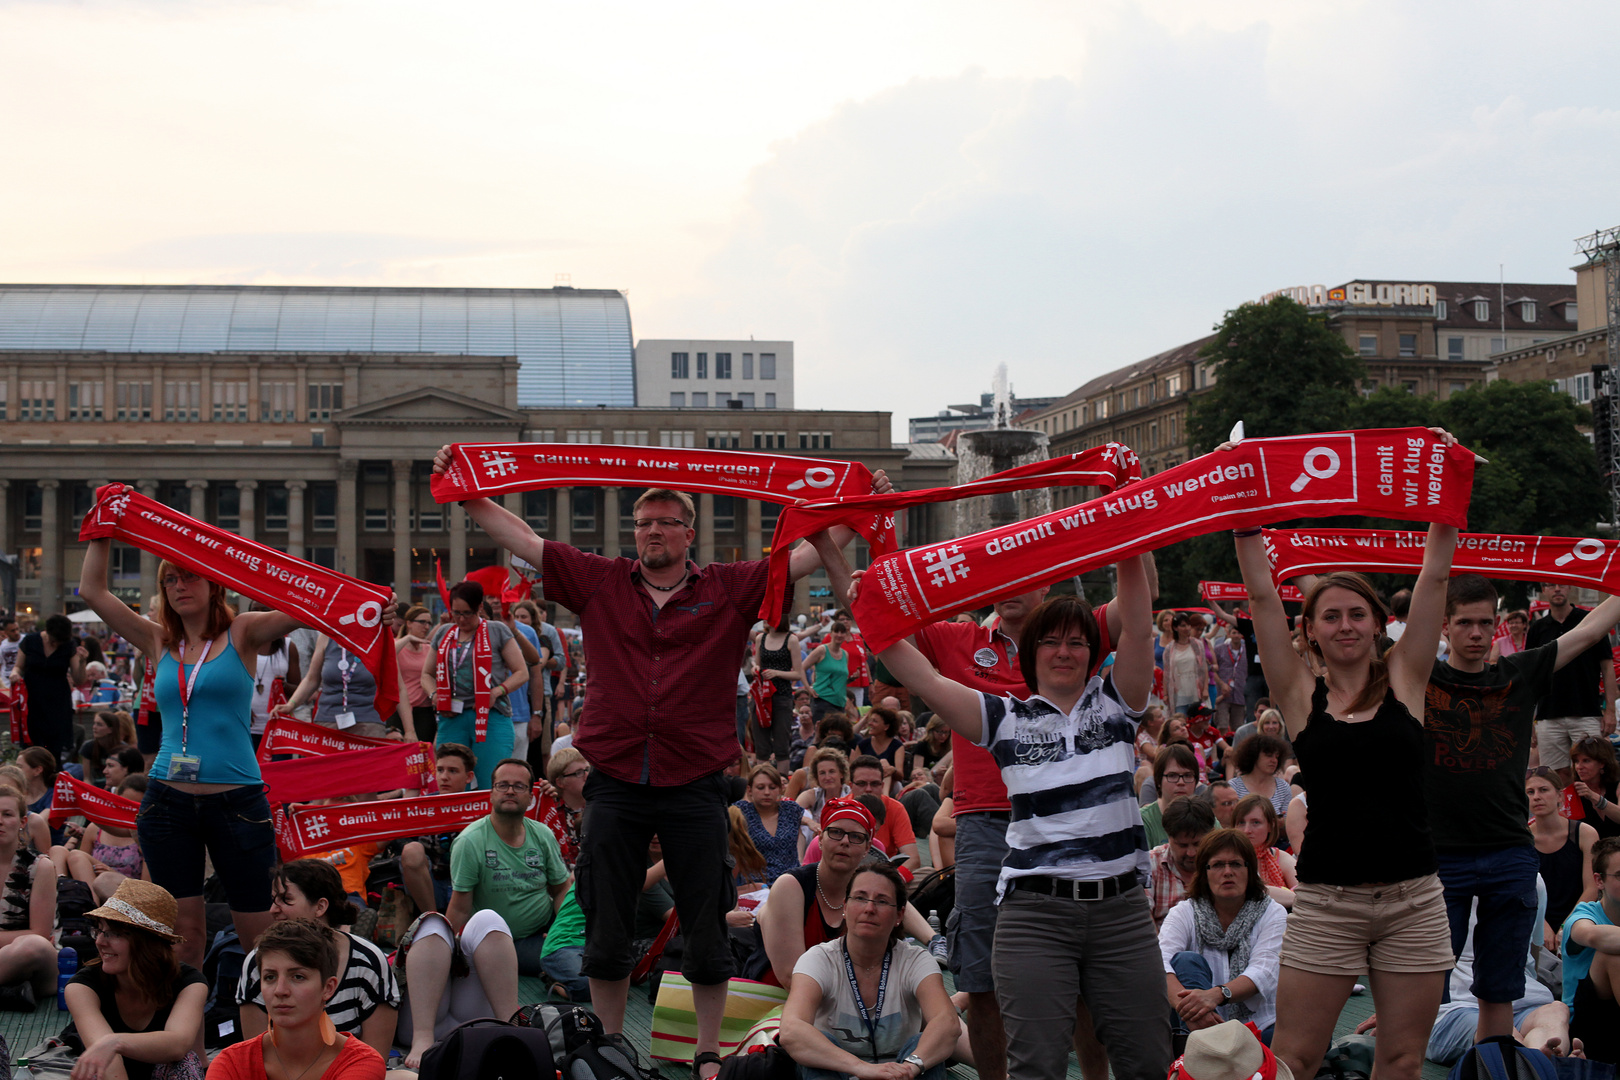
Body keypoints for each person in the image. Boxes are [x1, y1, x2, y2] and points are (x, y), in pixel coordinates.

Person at [865, 553, 1171, 1080]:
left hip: (1121, 912)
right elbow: (919, 674)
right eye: (1051, 642)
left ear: (1094, 652)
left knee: (1147, 1059)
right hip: (1035, 916)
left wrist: (1125, 533)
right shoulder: (1004, 718)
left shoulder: (1119, 704)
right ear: (1030, 654)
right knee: (1037, 1065)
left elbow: (1139, 624)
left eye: (1077, 641)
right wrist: (869, 605)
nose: (1065, 651)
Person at [1230, 443, 1460, 1080]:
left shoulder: (1407, 679)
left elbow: (1435, 578)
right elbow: (1259, 595)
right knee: (1297, 1058)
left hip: (1414, 899)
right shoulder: (1302, 697)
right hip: (1327, 902)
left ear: (1379, 623)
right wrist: (1245, 513)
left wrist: (1445, 488)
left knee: (1403, 1060)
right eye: (1330, 616)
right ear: (1312, 630)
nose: (1346, 625)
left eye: (1358, 613)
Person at [79, 546, 314, 967]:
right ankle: (188, 1030)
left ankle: (263, 1026)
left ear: (213, 583)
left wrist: (371, 607)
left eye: (189, 576)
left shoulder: (241, 632)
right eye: (169, 579)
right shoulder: (158, 638)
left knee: (260, 938)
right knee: (183, 936)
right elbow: (92, 591)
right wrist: (103, 535)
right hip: (168, 803)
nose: (178, 587)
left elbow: (308, 605)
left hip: (237, 803)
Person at [1417, 574, 1620, 1046]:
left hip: (1507, 851)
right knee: (1424, 975)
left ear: (1496, 628)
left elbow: (1589, 632)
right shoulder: (1420, 675)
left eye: (1485, 623)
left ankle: (1494, 1064)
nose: (1476, 633)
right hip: (1439, 854)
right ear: (1444, 626)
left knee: (1500, 983)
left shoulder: (1517, 673)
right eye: (1464, 623)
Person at [777, 862, 959, 1080]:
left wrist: (911, 1066)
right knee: (817, 1048)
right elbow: (791, 1029)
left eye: (882, 901)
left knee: (921, 1045)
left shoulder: (915, 961)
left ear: (899, 915)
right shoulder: (819, 959)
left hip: (900, 1074)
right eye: (860, 898)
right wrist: (860, 1067)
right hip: (840, 1072)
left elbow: (946, 1022)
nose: (869, 908)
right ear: (845, 907)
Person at [237, 860, 399, 1056]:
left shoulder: (367, 960)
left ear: (320, 906)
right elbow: (257, 1057)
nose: (273, 910)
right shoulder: (258, 960)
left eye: (286, 900)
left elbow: (375, 1058)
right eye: (273, 900)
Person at [207, 918, 386, 1080]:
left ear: (328, 987)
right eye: (270, 977)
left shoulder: (361, 1063)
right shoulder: (231, 1063)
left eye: (298, 977)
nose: (280, 990)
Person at [64, 878, 208, 1080]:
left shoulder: (190, 982)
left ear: (147, 943)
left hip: (163, 1070)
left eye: (114, 934)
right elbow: (107, 1060)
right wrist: (109, 1046)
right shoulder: (83, 986)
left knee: (185, 1065)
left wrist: (114, 1042)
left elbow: (178, 1044)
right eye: (99, 930)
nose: (99, 941)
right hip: (109, 1074)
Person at [1423, 881, 1575, 1065]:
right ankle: (1537, 1064)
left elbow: (1532, 955)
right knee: (1500, 1028)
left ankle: (1539, 1061)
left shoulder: (1531, 879)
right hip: (1455, 1007)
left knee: (1556, 1011)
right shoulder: (1438, 875)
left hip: (1521, 1001)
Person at [1158, 829, 1287, 1043]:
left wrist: (1217, 995)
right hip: (1196, 1023)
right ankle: (1206, 1044)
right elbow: (1160, 963)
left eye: (1236, 864)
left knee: (1309, 1038)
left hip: (1259, 1024)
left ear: (1249, 870)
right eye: (1218, 865)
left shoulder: (1273, 912)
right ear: (1204, 872)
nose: (1227, 872)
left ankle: (1211, 1050)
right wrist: (1192, 1010)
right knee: (1185, 961)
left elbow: (1264, 970)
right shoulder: (1184, 912)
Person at [447, 758, 570, 974]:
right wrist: (445, 952)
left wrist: (560, 930)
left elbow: (561, 888)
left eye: (519, 786)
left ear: (531, 796)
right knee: (571, 965)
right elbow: (459, 908)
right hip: (496, 941)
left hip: (545, 929)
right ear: (491, 793)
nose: (510, 791)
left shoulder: (542, 834)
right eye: (502, 785)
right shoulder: (470, 842)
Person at [752, 798, 874, 989]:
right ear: (820, 840)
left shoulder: (868, 890)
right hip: (775, 1001)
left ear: (867, 847)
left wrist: (931, 938)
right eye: (835, 833)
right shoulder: (790, 885)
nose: (844, 842)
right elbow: (791, 976)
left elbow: (899, 906)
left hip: (838, 998)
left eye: (856, 837)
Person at [420, 581, 527, 790]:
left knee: (492, 781)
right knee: (450, 782)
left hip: (490, 715)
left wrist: (497, 691)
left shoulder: (497, 630)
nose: (460, 619)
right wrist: (434, 694)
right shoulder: (444, 633)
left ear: (479, 608)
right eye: (456, 613)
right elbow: (426, 674)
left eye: (467, 613)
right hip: (451, 716)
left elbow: (522, 672)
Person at [1528, 581, 1618, 786]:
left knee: (1593, 773)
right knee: (1555, 776)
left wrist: (1610, 711)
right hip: (1548, 715)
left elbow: (1607, 668)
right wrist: (1529, 719)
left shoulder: (1590, 623)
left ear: (1570, 588)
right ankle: (1563, 817)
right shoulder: (1537, 629)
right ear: (1544, 590)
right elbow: (1531, 675)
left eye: (1562, 584)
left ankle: (1594, 815)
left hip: (1586, 711)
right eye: (1551, 585)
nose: (1557, 589)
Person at [278, 632, 414, 742]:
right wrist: (291, 705)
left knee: (364, 773)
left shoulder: (380, 639)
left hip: (368, 723)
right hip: (328, 720)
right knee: (330, 773)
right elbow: (311, 679)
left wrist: (410, 731)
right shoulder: (327, 636)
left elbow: (399, 689)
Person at [395, 742, 477, 915]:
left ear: (469, 777)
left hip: (471, 888)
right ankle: (434, 922)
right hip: (431, 886)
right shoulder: (421, 807)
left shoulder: (481, 806)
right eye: (440, 770)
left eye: (452, 771)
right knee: (411, 850)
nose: (444, 777)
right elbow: (399, 841)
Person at [0, 783, 59, 1010]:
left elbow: (40, 933)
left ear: (23, 822)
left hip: (34, 962)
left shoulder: (39, 866)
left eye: (7, 814)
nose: (0, 821)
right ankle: (9, 995)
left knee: (31, 946)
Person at [1562, 836, 1620, 1063]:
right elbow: (1592, 935)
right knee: (1612, 955)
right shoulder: (1583, 916)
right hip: (1583, 1030)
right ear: (1599, 880)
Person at [53, 773, 149, 901]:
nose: (128, 812)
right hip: (92, 885)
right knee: (58, 851)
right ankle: (62, 894)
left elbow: (148, 887)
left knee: (78, 856)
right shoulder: (95, 829)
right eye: (124, 805)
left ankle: (93, 911)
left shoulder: (147, 835)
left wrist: (111, 873)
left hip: (128, 894)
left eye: (134, 807)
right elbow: (78, 866)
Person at [14, 612, 86, 765]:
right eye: (54, 641)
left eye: (60, 643)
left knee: (54, 748)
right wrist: (15, 674)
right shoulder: (30, 641)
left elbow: (79, 679)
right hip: (32, 700)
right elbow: (19, 667)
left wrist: (82, 662)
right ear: (47, 632)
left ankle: (52, 779)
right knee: (30, 746)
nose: (56, 645)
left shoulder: (68, 645)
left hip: (57, 702)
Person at [1148, 797, 1217, 928]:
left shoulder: (1228, 864)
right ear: (1168, 837)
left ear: (1212, 833)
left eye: (1198, 844)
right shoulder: (1150, 864)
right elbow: (1144, 919)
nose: (1191, 853)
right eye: (1182, 845)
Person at [735, 763, 808, 884]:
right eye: (760, 787)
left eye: (772, 787)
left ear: (780, 789)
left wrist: (810, 822)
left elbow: (804, 821)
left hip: (791, 883)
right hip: (755, 887)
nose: (767, 792)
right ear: (750, 790)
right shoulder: (741, 811)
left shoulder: (791, 810)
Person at [848, 756, 920, 874]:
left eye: (875, 784)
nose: (868, 789)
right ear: (851, 786)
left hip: (886, 874)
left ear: (882, 786)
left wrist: (892, 881)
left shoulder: (895, 808)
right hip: (846, 875)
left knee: (926, 874)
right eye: (861, 784)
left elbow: (913, 859)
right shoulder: (839, 808)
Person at [751, 617, 806, 770]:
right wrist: (755, 668)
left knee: (781, 745)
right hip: (761, 696)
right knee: (761, 745)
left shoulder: (791, 640)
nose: (765, 620)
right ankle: (761, 780)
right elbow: (757, 663)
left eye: (770, 616)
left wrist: (776, 673)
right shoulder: (761, 638)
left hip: (781, 696)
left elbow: (798, 674)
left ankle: (782, 782)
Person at [1232, 794, 1296, 909]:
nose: (1247, 830)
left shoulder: (1279, 857)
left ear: (1270, 825)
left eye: (1255, 822)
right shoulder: (1226, 858)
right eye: (1241, 823)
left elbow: (1303, 892)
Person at [534, 747, 588, 869]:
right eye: (579, 772)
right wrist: (541, 798)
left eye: (587, 769)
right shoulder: (549, 810)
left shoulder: (599, 806)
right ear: (560, 782)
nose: (587, 776)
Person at [394, 606, 438, 746]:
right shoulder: (397, 645)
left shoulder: (427, 648)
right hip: (400, 709)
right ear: (409, 623)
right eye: (422, 622)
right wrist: (408, 638)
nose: (426, 627)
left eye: (429, 623)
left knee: (423, 752)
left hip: (424, 709)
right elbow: (387, 654)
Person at [1142, 745, 1200, 848]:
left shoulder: (1205, 817)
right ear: (1159, 781)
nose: (1181, 782)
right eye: (1172, 776)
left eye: (1187, 775)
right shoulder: (1143, 821)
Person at [1227, 735, 1290, 819]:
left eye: (1277, 757)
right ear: (1254, 756)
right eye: (1269, 755)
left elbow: (1289, 821)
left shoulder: (1283, 787)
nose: (1274, 760)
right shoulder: (1233, 786)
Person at [1570, 735, 1620, 840]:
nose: (1579, 766)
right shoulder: (1571, 793)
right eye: (1576, 761)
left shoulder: (1617, 786)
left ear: (1602, 763)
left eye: (1586, 761)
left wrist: (1593, 797)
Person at [805, 623, 854, 727]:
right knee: (823, 735)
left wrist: (852, 679)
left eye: (842, 632)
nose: (839, 635)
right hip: (822, 699)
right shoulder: (822, 650)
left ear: (846, 635)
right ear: (831, 634)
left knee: (838, 736)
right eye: (836, 631)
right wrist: (808, 688)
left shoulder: (845, 654)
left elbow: (839, 679)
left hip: (840, 702)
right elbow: (801, 668)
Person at [1164, 613, 1209, 717]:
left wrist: (1205, 688)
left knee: (1197, 718)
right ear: (1176, 627)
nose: (1187, 628)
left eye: (1188, 625)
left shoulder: (1198, 645)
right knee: (1181, 718)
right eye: (1183, 626)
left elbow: (1203, 668)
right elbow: (1166, 673)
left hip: (1195, 688)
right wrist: (1165, 694)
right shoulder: (1169, 649)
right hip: (1179, 691)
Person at [80, 710, 138, 786]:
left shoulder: (123, 749)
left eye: (99, 724)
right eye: (94, 723)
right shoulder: (88, 747)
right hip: (95, 788)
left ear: (110, 730)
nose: (94, 727)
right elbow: (87, 778)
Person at [798, 747, 852, 827]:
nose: (827, 777)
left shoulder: (850, 793)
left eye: (832, 771)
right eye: (822, 773)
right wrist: (810, 822)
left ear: (841, 773)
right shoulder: (813, 794)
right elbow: (792, 812)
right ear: (817, 777)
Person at [855, 707, 904, 793]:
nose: (870, 724)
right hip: (865, 783)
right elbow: (853, 769)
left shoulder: (897, 746)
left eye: (875, 721)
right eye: (870, 720)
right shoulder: (862, 745)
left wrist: (892, 770)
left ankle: (884, 797)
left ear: (886, 726)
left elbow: (900, 775)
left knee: (884, 763)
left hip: (889, 786)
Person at [1212, 627, 1247, 733]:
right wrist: (1221, 684)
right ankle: (1222, 748)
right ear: (1229, 634)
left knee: (1238, 727)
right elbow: (1212, 671)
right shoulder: (1219, 649)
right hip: (1223, 695)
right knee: (1222, 725)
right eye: (1234, 633)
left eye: (1238, 633)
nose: (1236, 635)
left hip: (1240, 694)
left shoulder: (1247, 650)